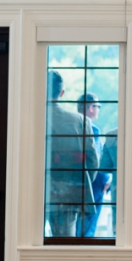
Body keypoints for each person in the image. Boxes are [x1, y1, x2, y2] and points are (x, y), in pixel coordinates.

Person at [45, 80, 96, 239]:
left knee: (27, 240)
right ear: (61, 93)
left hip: (33, 189)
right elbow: (92, 161)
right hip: (70, 191)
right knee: (65, 242)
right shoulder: (81, 121)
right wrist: (81, 183)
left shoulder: (28, 119)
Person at [80, 94, 113, 237]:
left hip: (73, 184)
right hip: (94, 186)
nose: (98, 109)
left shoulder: (70, 126)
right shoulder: (93, 130)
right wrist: (107, 179)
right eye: (97, 106)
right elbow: (97, 160)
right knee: (88, 229)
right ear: (90, 108)